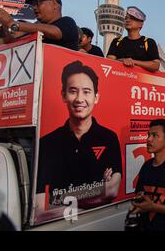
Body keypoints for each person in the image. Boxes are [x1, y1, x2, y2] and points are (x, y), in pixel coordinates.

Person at [35, 61, 122, 220]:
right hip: (60, 226)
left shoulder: (109, 138)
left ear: (96, 97)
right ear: (63, 95)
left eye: (87, 92)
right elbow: (40, 209)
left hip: (100, 225)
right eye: (73, 91)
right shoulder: (47, 143)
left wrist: (60, 198)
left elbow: (111, 190)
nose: (79, 99)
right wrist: (97, 194)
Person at [0, 0, 79, 50]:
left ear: (54, 3)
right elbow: (9, 43)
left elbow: (55, 32)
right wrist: (3, 25)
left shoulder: (67, 22)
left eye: (38, 3)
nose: (34, 7)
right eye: (33, 5)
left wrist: (12, 23)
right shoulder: (33, 30)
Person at [107, 6, 160, 72]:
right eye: (126, 18)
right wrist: (123, 60)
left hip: (141, 81)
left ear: (141, 24)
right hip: (119, 78)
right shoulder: (117, 41)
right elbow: (108, 62)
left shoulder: (149, 42)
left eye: (132, 18)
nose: (127, 20)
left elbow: (156, 65)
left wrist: (133, 62)